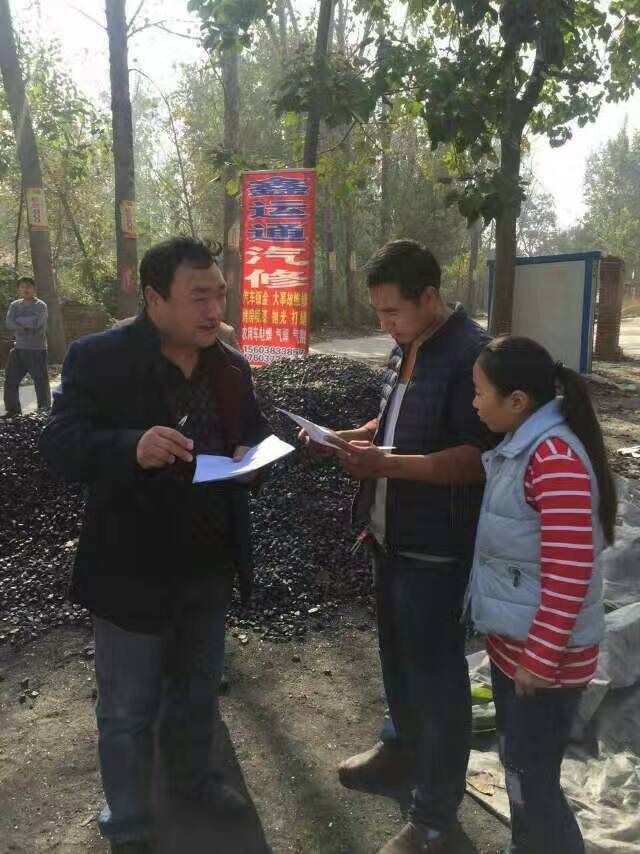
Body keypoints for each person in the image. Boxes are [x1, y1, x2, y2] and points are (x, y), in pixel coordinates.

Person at [39, 237, 270, 854]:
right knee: (128, 707)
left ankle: (194, 783)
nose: (214, 309)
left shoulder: (230, 366)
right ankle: (129, 817)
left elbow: (252, 432)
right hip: (131, 569)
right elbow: (59, 444)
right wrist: (130, 448)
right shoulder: (99, 359)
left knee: (197, 690)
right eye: (199, 297)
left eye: (220, 294)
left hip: (209, 564)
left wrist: (251, 457)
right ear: (154, 298)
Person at [304, 240, 493, 854]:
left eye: (392, 312)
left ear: (430, 297)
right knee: (397, 661)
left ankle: (434, 817)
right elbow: (390, 426)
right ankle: (402, 750)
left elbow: (478, 458)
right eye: (379, 312)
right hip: (390, 538)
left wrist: (385, 465)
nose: (384, 324)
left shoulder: (472, 356)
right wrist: (343, 438)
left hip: (437, 548)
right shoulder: (407, 345)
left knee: (437, 683)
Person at [470, 336, 616, 854]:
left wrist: (540, 658)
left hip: (546, 665)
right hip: (516, 652)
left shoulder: (553, 458)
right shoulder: (520, 445)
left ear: (517, 401)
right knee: (518, 768)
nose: (473, 403)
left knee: (536, 782)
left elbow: (570, 571)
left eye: (479, 392)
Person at [3, 276, 51, 416]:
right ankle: (12, 411)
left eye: (28, 286)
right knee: (10, 380)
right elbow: (9, 323)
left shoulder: (41, 306)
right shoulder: (14, 305)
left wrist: (19, 321)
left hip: (37, 349)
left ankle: (44, 411)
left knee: (40, 382)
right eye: (22, 286)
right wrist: (26, 323)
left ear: (34, 288)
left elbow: (37, 324)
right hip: (18, 349)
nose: (26, 289)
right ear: (18, 289)